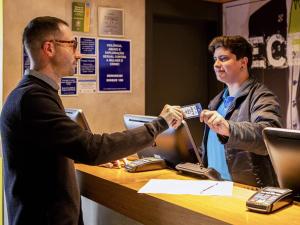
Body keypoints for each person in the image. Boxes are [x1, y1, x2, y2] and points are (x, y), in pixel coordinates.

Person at [0, 16, 183, 225]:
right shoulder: (33, 98)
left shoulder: (32, 93)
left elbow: (45, 150)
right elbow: (92, 148)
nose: (79, 54)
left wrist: (76, 156)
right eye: (72, 45)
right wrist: (159, 124)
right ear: (49, 48)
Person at [199, 35, 282, 187]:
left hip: (246, 190)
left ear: (243, 62)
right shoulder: (216, 101)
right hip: (212, 186)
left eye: (223, 58)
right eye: (215, 59)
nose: (216, 64)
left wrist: (229, 128)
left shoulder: (262, 96)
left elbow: (268, 135)